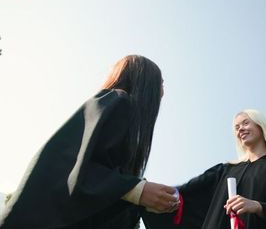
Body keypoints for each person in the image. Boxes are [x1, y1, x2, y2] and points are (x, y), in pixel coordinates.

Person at [0, 55, 179, 229]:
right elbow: (77, 170)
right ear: (145, 81)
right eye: (160, 81)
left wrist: (143, 199)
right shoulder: (119, 101)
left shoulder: (116, 109)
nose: (163, 89)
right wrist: (137, 191)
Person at [142, 109, 266, 229]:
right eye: (236, 127)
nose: (240, 129)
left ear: (260, 125)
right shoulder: (225, 171)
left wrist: (259, 207)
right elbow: (189, 192)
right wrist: (145, 193)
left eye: (245, 123)